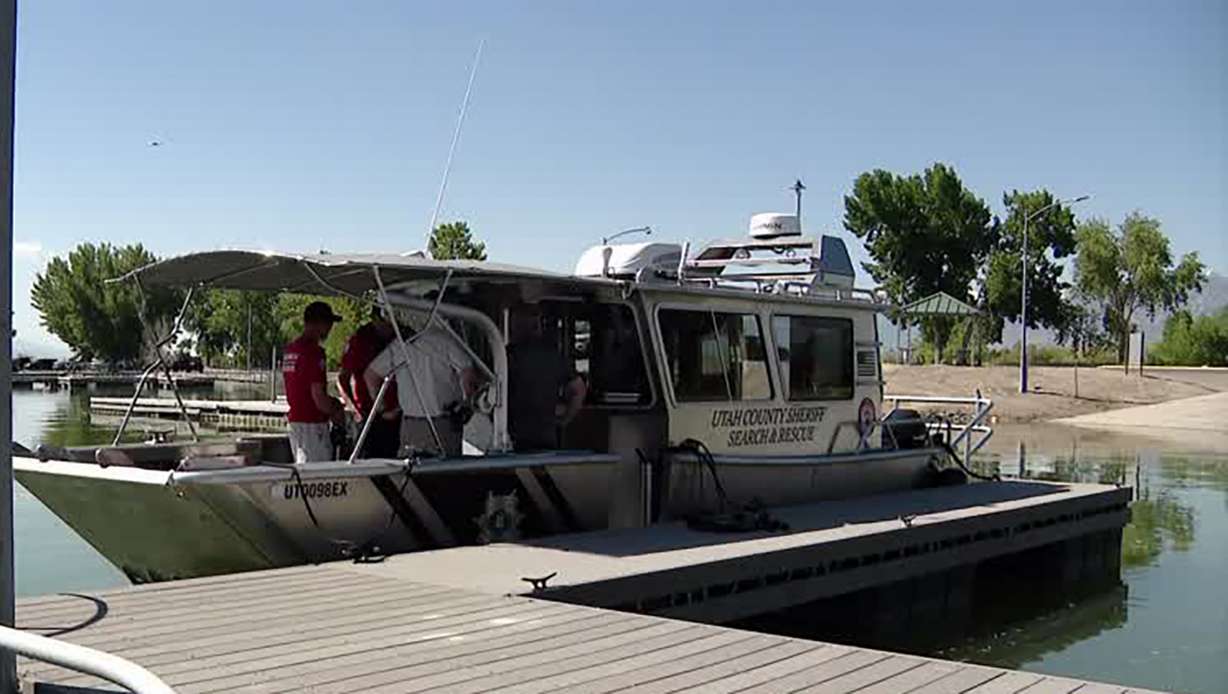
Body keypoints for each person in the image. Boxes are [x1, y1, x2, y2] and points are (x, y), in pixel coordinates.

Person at [364, 319, 478, 458]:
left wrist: (383, 409)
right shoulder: (446, 341)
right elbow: (468, 373)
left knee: (410, 472)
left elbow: (371, 375)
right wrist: (467, 402)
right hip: (443, 425)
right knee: (445, 473)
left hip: (410, 425)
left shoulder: (400, 345)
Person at [507, 309, 586, 452]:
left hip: (512, 439)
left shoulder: (507, 357)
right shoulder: (555, 357)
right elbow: (579, 390)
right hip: (547, 438)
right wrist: (564, 420)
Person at [283, 301, 344, 463]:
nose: (330, 329)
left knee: (303, 471)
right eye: (329, 323)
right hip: (312, 425)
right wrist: (336, 408)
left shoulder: (291, 350)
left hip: (295, 423)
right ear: (320, 323)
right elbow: (319, 398)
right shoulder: (314, 353)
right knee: (318, 476)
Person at [337, 307, 401, 458]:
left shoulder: (400, 337)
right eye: (385, 322)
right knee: (367, 459)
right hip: (368, 414)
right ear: (375, 319)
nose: (389, 326)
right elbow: (343, 378)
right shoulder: (360, 340)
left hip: (397, 413)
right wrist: (353, 408)